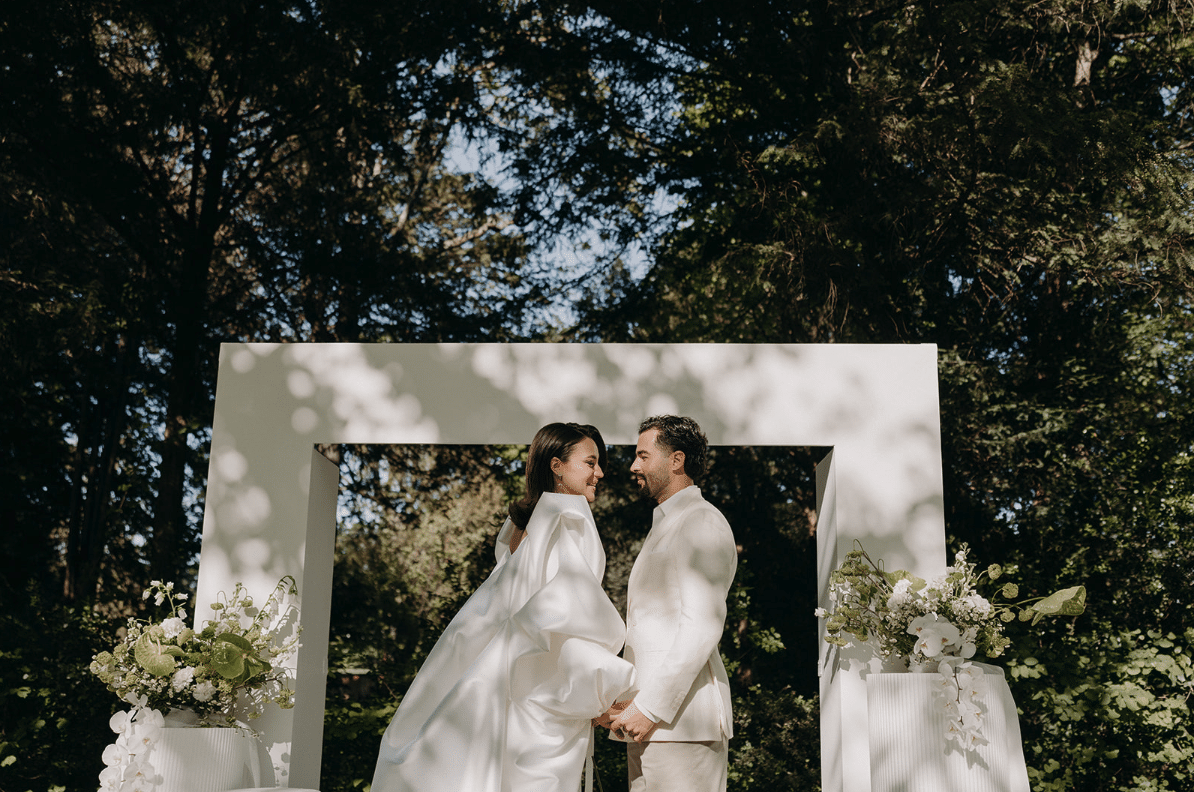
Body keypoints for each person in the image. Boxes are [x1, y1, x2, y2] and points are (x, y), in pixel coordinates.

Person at [371, 423, 636, 792]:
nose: (600, 473)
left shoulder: (519, 525)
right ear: (557, 465)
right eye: (591, 462)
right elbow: (571, 620)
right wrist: (599, 697)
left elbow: (508, 609)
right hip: (543, 704)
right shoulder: (569, 516)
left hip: (504, 687)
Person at [599, 415, 738, 792]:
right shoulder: (667, 524)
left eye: (643, 456)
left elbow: (702, 627)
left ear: (676, 461)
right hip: (648, 725)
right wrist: (627, 702)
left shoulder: (701, 522)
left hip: (681, 725)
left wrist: (650, 707)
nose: (633, 465)